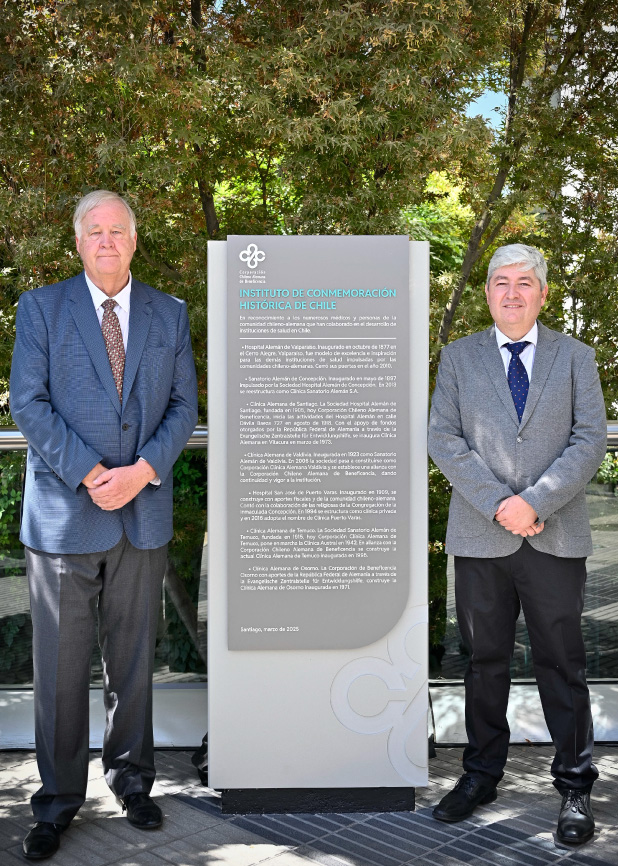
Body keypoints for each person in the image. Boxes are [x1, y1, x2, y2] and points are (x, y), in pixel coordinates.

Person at [10, 190, 198, 860]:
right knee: (60, 673)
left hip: (141, 516)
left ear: (135, 239)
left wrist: (141, 472)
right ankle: (57, 802)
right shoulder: (41, 308)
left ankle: (132, 781)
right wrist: (93, 474)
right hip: (65, 515)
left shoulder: (169, 313)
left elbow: (183, 406)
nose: (107, 241)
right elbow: (28, 403)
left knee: (135, 662)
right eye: (95, 231)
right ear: (78, 242)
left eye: (118, 230)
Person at [427, 244, 606, 845]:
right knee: (484, 662)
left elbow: (589, 439)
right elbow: (444, 438)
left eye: (524, 282)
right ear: (486, 293)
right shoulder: (458, 357)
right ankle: (481, 775)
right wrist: (501, 503)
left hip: (556, 535)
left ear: (543, 293)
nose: (511, 292)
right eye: (500, 282)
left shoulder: (576, 357)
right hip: (482, 536)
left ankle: (575, 785)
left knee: (563, 663)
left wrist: (536, 502)